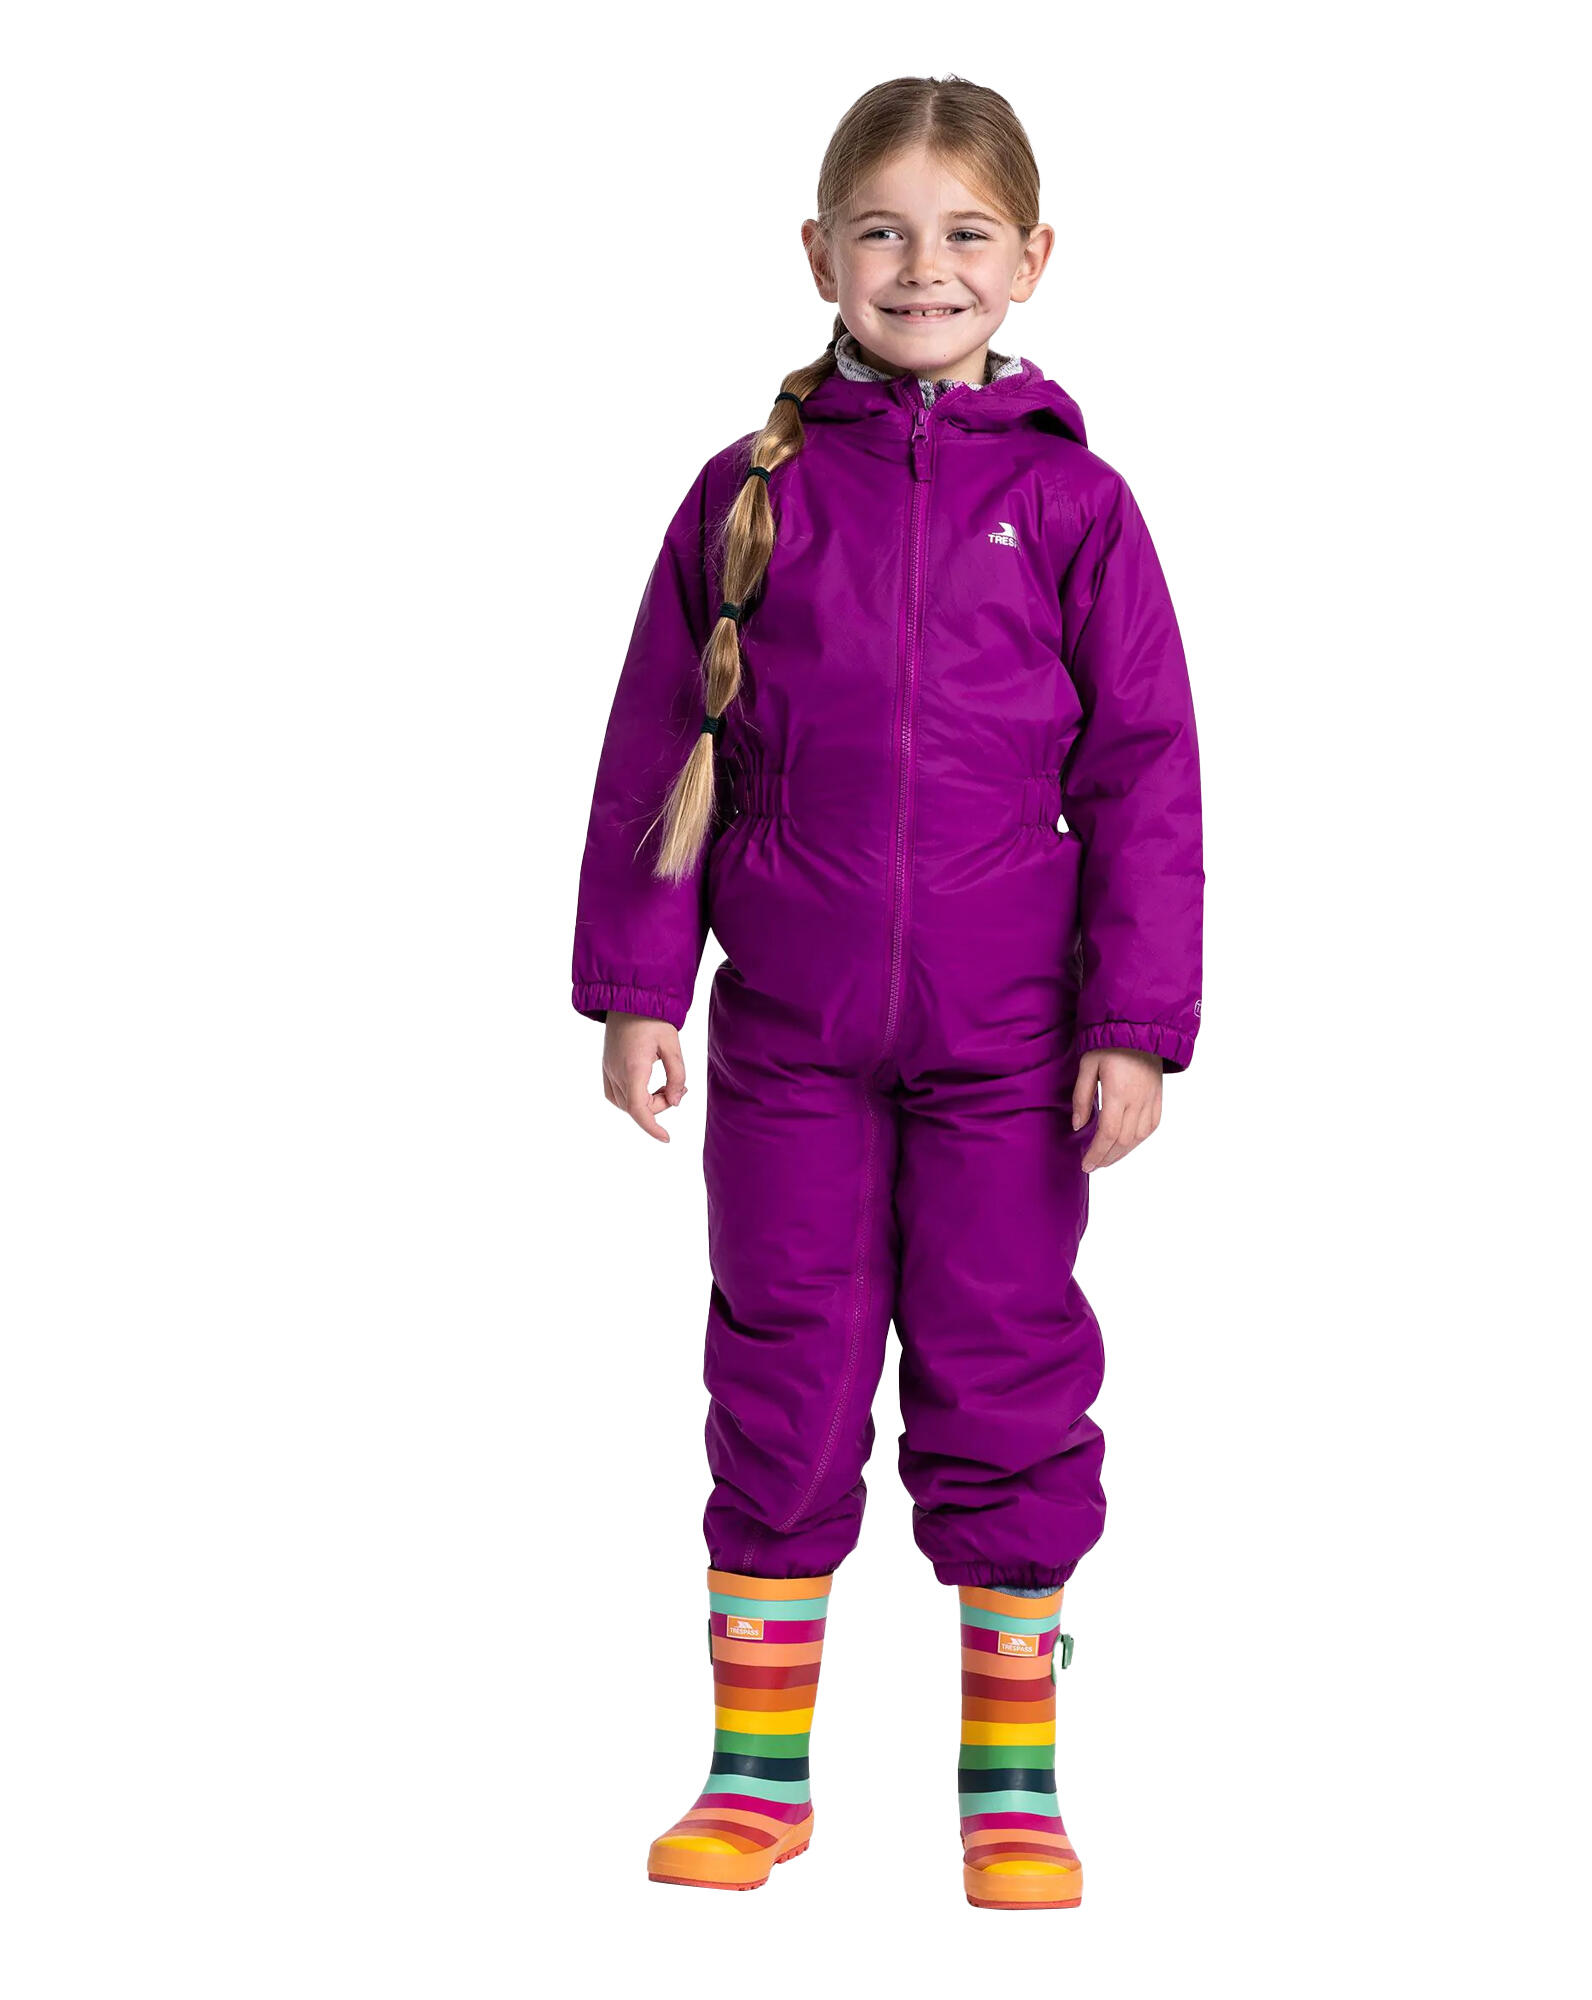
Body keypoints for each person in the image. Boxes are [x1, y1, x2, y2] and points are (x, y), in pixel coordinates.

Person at [570, 74, 1203, 1909]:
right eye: (885, 234)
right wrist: (640, 986)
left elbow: (1145, 779)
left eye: (965, 236)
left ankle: (1014, 1783)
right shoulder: (746, 496)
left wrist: (1135, 1026)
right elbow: (659, 750)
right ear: (820, 253)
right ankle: (757, 1774)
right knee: (780, 1364)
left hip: (1013, 1047)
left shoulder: (1076, 507)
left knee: (1007, 1370)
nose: (924, 269)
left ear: (1033, 261)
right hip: (791, 1037)